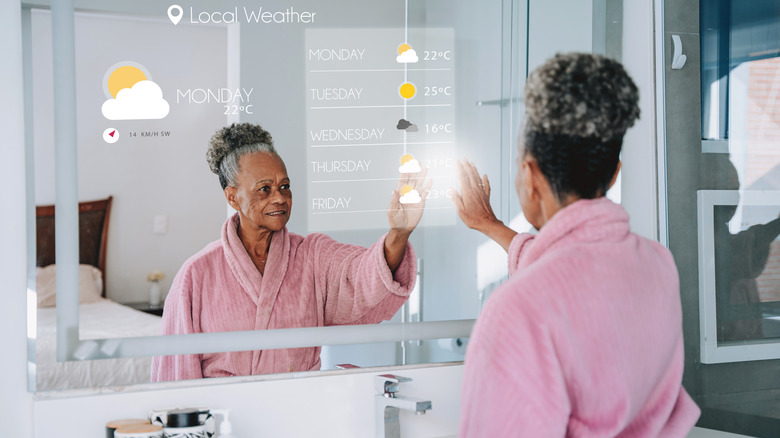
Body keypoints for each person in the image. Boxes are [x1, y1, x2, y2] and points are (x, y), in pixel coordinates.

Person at [455, 53, 700, 436]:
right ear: (615, 173)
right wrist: (491, 226)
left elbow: (554, 287)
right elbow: (571, 274)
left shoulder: (516, 313)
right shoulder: (657, 265)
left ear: (530, 175)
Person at [151, 123, 431, 381]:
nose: (279, 198)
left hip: (299, 406)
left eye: (285, 187)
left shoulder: (311, 256)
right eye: (264, 189)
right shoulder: (197, 274)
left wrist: (399, 233)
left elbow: (360, 275)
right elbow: (175, 372)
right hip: (228, 416)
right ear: (232, 196)